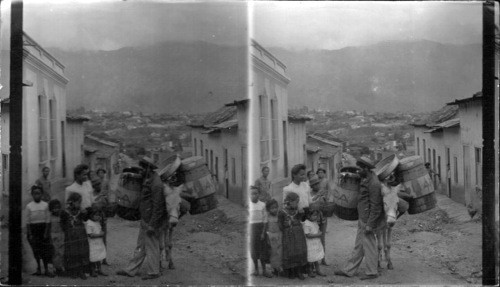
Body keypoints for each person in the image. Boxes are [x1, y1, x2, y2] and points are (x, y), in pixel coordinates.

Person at [334, 156, 384, 280]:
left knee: (369, 245)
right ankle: (349, 270)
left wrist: (370, 224)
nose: (358, 170)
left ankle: (372, 272)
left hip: (367, 220)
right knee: (360, 245)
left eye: (360, 168)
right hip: (363, 218)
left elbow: (376, 206)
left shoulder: (374, 183)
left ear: (366, 168)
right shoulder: (367, 178)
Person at [117, 156, 166, 280]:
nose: (141, 171)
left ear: (148, 168)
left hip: (151, 221)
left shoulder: (156, 184)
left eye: (143, 168)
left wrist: (153, 225)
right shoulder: (148, 179)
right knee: (141, 246)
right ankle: (131, 270)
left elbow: (158, 207)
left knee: (152, 246)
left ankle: (154, 271)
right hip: (146, 219)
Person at [26, 185, 55, 277]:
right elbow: (27, 221)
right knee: (36, 250)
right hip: (34, 230)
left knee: (45, 251)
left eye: (38, 193)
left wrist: (46, 232)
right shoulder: (29, 206)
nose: (36, 195)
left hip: (43, 229)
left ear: (41, 194)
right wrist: (30, 234)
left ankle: (47, 269)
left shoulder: (45, 205)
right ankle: (38, 269)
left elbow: (47, 220)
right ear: (32, 195)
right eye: (35, 193)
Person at [61, 192, 90, 280]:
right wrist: (67, 230)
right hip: (71, 235)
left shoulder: (80, 211)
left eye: (80, 202)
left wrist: (84, 212)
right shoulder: (66, 212)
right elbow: (62, 223)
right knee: (72, 253)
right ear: (71, 202)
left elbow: (86, 218)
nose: (79, 204)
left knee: (81, 252)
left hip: (80, 234)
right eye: (78, 202)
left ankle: (81, 271)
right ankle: (73, 271)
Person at [279, 192, 308, 280]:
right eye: (296, 201)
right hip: (288, 236)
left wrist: (301, 213)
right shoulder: (282, 212)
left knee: (299, 251)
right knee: (290, 252)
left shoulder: (298, 211)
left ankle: (299, 271)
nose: (298, 203)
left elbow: (301, 219)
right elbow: (280, 225)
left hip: (298, 234)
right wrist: (286, 227)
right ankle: (291, 271)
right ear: (289, 201)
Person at [249, 187, 271, 277]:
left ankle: (264, 270)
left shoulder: (262, 205)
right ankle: (256, 270)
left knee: (263, 250)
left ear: (259, 194)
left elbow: (265, 219)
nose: (254, 195)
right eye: (252, 193)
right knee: (254, 251)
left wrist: (263, 233)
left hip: (260, 229)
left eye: (256, 193)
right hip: (252, 230)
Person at [308, 175, 329, 266]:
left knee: (322, 239)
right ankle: (314, 259)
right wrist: (317, 196)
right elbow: (310, 204)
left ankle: (323, 258)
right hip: (314, 220)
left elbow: (326, 204)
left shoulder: (322, 193)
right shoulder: (310, 194)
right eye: (315, 184)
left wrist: (324, 199)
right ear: (312, 186)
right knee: (314, 240)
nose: (317, 186)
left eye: (318, 184)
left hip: (323, 218)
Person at [303, 209, 326, 277]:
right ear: (308, 216)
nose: (316, 217)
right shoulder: (306, 224)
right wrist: (317, 235)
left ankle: (318, 270)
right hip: (310, 244)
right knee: (310, 259)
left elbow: (317, 229)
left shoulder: (314, 222)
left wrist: (319, 232)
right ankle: (309, 271)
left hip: (316, 243)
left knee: (316, 258)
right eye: (314, 215)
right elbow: (308, 235)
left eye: (317, 215)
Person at [85, 207, 108, 277]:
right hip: (92, 243)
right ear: (91, 215)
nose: (98, 217)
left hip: (99, 243)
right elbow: (90, 235)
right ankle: (92, 270)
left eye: (99, 215)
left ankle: (99, 269)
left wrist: (102, 232)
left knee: (99, 256)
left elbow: (101, 229)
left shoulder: (97, 222)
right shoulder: (88, 223)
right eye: (96, 215)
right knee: (93, 257)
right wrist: (99, 235)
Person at [263, 199, 282, 276]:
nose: (275, 209)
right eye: (272, 208)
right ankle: (272, 268)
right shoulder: (267, 216)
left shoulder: (279, 215)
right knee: (272, 252)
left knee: (279, 252)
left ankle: (278, 267)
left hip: (279, 235)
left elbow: (280, 226)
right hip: (271, 236)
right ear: (268, 209)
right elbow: (266, 227)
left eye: (276, 207)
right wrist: (266, 236)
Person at [48, 199, 65, 275]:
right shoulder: (50, 217)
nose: (56, 210)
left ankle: (60, 267)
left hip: (61, 235)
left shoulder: (61, 216)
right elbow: (48, 228)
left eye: (58, 208)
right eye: (54, 208)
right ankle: (55, 268)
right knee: (55, 252)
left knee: (61, 252)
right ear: (51, 209)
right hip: (53, 235)